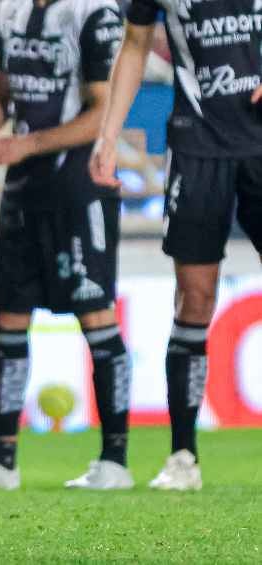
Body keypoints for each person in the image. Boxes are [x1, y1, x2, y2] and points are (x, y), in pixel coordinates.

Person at [0, 0, 133, 491]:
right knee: (9, 317)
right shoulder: (10, 11)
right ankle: (0, 462)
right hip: (22, 189)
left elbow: (102, 114)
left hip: (79, 186)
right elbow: (2, 97)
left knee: (96, 314)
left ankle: (115, 459)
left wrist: (24, 146)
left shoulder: (95, 14)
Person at [90, 0, 262, 491]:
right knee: (195, 297)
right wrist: (108, 134)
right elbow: (136, 44)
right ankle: (183, 455)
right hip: (197, 143)